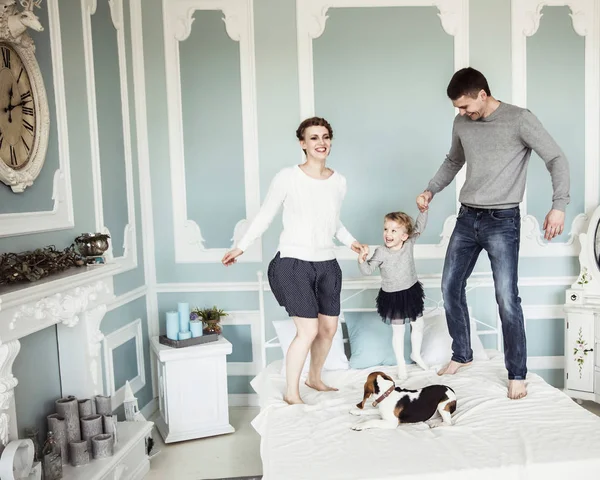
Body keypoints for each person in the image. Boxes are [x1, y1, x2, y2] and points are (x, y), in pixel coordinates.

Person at [416, 67, 570, 400]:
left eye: (465, 106)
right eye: (457, 108)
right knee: (449, 286)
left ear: (482, 94)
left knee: (506, 297)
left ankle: (517, 373)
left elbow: (556, 158)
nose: (462, 113)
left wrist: (559, 205)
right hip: (467, 217)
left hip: (503, 220)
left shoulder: (520, 120)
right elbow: (453, 160)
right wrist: (431, 190)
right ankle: (462, 354)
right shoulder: (461, 123)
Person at [222, 117, 368, 405]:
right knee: (309, 330)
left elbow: (333, 222)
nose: (321, 142)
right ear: (303, 144)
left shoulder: (339, 181)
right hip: (293, 264)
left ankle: (314, 378)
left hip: (328, 264)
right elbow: (265, 215)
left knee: (328, 328)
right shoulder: (288, 177)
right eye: (313, 138)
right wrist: (241, 247)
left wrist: (352, 242)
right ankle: (292, 393)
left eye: (325, 136)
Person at [358, 209, 429, 380]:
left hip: (410, 292)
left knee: (418, 324)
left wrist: (423, 211)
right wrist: (361, 259)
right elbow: (367, 270)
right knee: (398, 331)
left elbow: (420, 226)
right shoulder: (381, 252)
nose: (388, 234)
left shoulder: (409, 243)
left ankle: (416, 355)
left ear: (404, 236)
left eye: (393, 230)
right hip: (392, 296)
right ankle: (401, 365)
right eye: (386, 229)